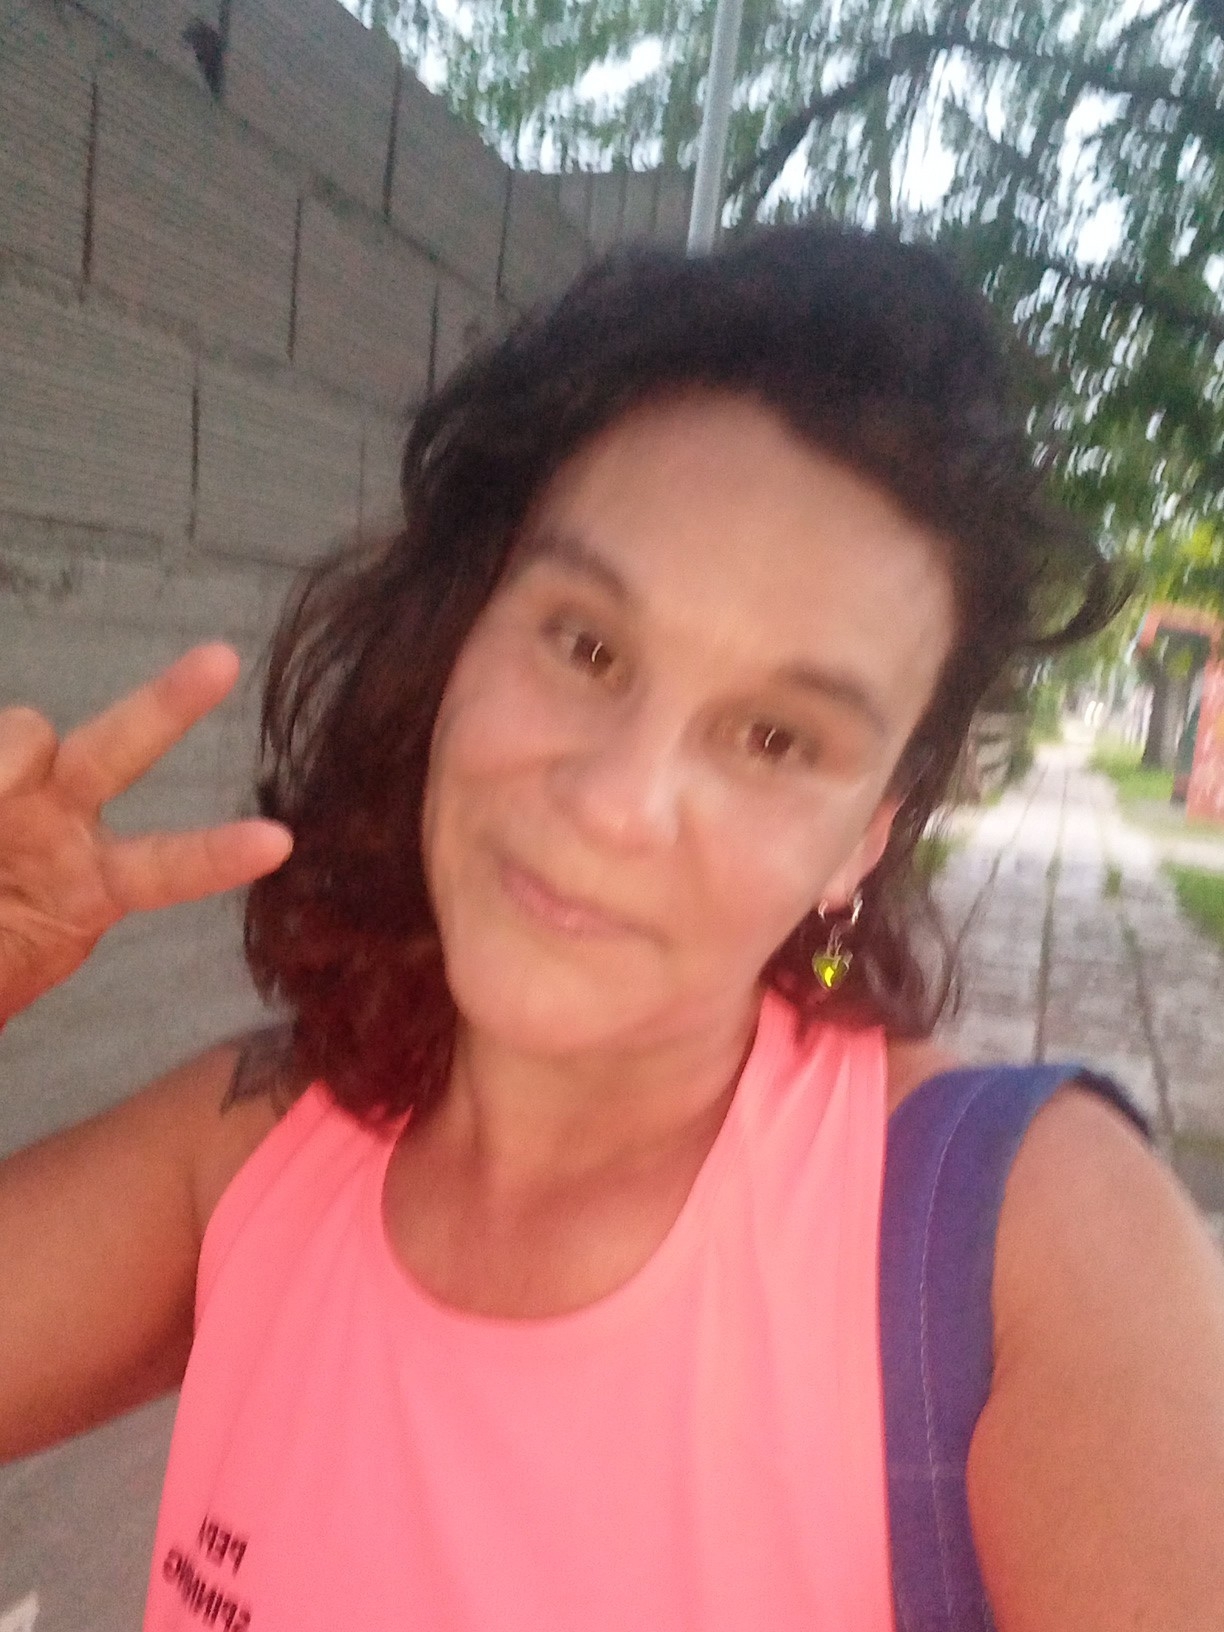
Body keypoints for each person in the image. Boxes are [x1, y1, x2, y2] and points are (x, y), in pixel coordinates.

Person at [1, 223, 1222, 1631]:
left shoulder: (1029, 1252)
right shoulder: (254, 1150)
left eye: (775, 737)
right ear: (460, 638)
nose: (618, 804)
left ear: (863, 837)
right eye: (586, 646)